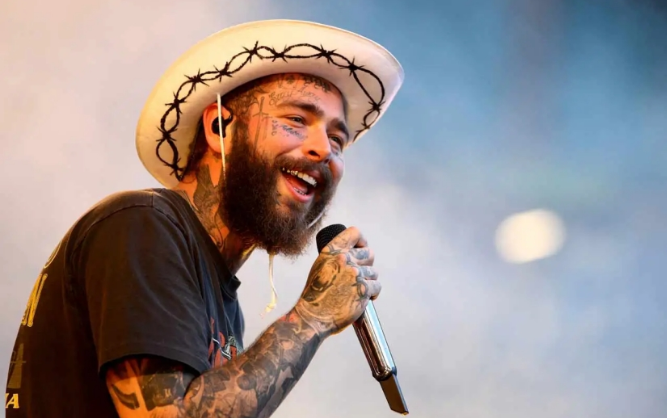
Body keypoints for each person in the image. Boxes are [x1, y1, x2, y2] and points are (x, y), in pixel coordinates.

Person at [5, 19, 404, 417]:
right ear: (218, 127)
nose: (324, 149)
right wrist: (313, 315)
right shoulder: (142, 226)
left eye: (337, 139)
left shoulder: (222, 302)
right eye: (296, 120)